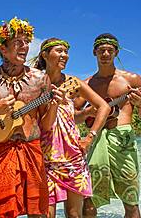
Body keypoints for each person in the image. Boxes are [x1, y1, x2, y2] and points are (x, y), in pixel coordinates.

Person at [0, 17, 65, 218]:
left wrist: (54, 106)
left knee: (38, 212)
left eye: (27, 42)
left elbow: (45, 125)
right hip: (0, 152)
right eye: (18, 42)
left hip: (32, 149)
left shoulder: (40, 79)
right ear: (2, 48)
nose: (25, 47)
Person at [74, 33, 141, 218]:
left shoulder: (132, 79)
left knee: (131, 198)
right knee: (89, 198)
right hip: (95, 139)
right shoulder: (87, 84)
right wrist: (86, 113)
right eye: (101, 50)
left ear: (116, 53)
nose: (106, 54)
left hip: (123, 140)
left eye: (110, 50)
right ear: (94, 52)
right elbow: (72, 117)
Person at [33, 38, 110, 218]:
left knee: (74, 214)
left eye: (66, 52)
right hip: (45, 155)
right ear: (45, 54)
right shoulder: (35, 83)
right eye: (59, 51)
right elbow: (44, 125)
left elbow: (104, 107)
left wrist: (89, 138)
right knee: (45, 213)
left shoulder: (73, 83)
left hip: (73, 154)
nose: (65, 56)